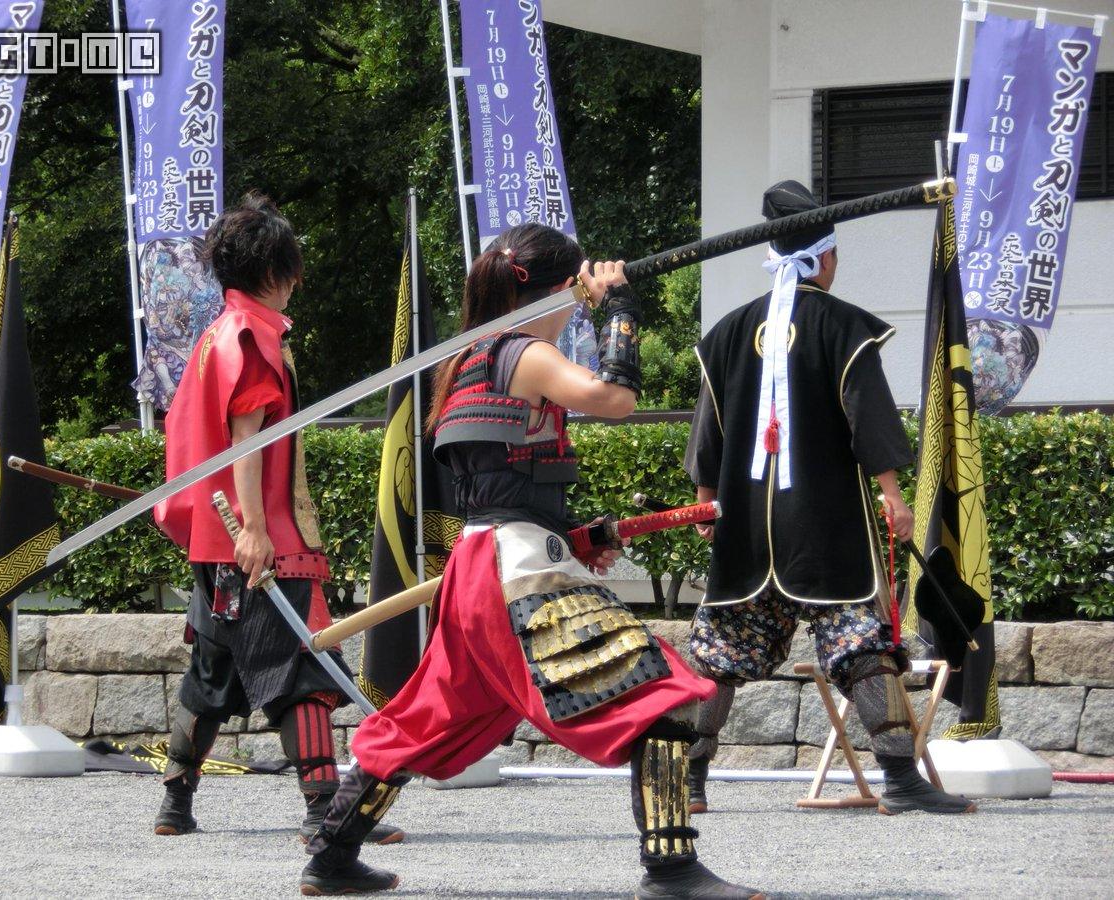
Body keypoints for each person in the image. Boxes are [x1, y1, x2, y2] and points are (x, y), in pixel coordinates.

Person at [299, 223, 763, 899]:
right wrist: (623, 308)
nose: (578, 308)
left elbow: (500, 484)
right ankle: (671, 868)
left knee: (429, 717)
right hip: (514, 573)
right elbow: (615, 399)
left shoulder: (469, 360)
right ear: (555, 288)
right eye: (575, 293)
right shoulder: (524, 352)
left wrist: (576, 533)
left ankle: (332, 853)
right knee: (663, 699)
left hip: (480, 567)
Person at [683, 180, 976, 817]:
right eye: (835, 254)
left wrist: (707, 498)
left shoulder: (729, 332)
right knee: (860, 645)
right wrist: (894, 496)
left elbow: (709, 425)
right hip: (824, 524)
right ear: (821, 258)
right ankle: (900, 780)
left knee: (718, 654)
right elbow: (868, 416)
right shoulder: (844, 327)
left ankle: (690, 784)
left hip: (745, 525)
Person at [151, 192, 403, 846]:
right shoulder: (253, 337)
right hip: (256, 540)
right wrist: (256, 529)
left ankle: (174, 802)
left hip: (217, 544)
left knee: (215, 669)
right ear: (273, 271)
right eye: (291, 268)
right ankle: (328, 811)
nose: (296, 282)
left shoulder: (216, 336)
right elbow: (247, 441)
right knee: (303, 674)